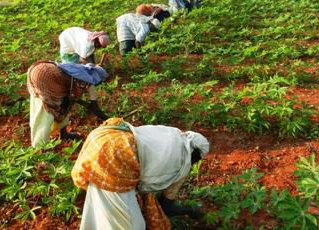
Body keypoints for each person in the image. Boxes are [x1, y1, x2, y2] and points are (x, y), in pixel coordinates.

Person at [71, 117, 210, 230]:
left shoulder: (173, 134)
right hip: (116, 156)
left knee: (101, 201)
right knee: (133, 225)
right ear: (195, 154)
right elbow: (167, 206)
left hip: (103, 136)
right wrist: (189, 211)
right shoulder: (184, 161)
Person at [27, 61, 109, 147]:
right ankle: (40, 146)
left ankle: (63, 134)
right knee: (46, 112)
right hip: (46, 78)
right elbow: (93, 107)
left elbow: (71, 96)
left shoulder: (82, 70)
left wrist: (86, 104)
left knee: (62, 105)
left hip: (39, 69)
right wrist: (106, 117)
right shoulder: (86, 80)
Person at [58, 27, 110, 119]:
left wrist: (93, 64)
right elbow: (84, 60)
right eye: (99, 46)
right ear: (97, 42)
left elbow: (91, 54)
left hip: (71, 34)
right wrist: (92, 66)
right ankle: (72, 89)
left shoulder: (93, 38)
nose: (99, 48)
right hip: (67, 41)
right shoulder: (86, 45)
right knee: (74, 70)